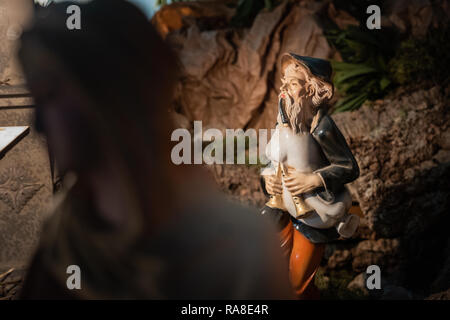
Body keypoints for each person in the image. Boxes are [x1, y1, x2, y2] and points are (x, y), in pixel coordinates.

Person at [18, 0, 291, 299]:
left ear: (112, 96)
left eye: (49, 94)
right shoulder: (64, 232)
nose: (38, 123)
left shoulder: (239, 250)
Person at [261, 53, 360, 299]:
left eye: (293, 83)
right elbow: (272, 159)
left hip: (313, 217)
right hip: (282, 208)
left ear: (311, 88)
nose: (284, 89)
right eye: (284, 82)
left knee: (297, 283)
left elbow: (349, 167)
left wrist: (314, 179)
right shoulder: (283, 121)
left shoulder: (322, 127)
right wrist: (267, 179)